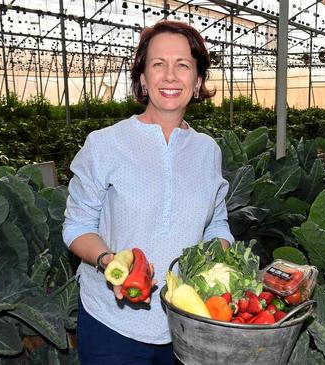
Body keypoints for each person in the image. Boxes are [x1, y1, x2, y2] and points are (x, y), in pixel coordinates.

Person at [62, 20, 234, 365]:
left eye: (183, 65)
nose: (170, 76)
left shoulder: (207, 150)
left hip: (188, 323)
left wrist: (219, 264)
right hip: (111, 323)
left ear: (198, 81)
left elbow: (217, 225)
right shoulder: (104, 144)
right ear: (142, 78)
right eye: (158, 64)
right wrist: (108, 261)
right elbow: (77, 228)